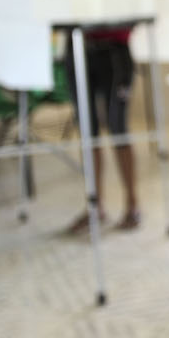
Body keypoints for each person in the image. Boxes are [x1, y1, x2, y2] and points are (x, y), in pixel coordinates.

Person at [63, 25, 141, 234]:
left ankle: (132, 204)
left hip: (114, 49)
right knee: (87, 132)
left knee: (118, 128)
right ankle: (94, 207)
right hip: (77, 45)